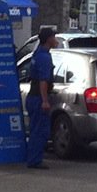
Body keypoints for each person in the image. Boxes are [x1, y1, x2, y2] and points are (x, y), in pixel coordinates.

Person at [26, 27, 58, 169]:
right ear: (48, 39)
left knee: (35, 129)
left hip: (33, 97)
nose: (56, 40)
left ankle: (32, 157)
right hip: (38, 98)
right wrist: (45, 101)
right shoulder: (44, 57)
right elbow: (43, 81)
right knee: (40, 131)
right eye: (54, 37)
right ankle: (34, 160)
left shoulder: (37, 53)